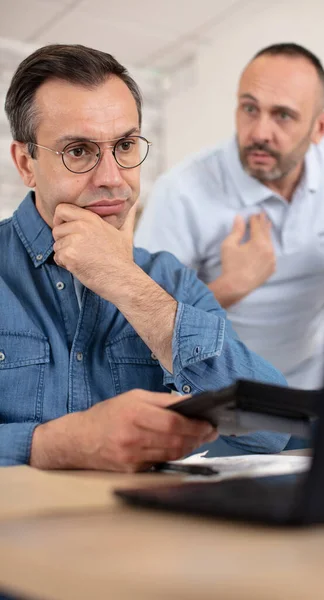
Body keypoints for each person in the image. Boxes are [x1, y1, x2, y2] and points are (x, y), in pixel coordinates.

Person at [0, 44, 293, 471]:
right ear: (26, 163)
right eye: (78, 151)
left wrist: (126, 282)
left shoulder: (169, 281)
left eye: (125, 145)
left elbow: (275, 428)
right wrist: (55, 444)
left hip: (146, 535)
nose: (111, 178)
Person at [136, 43, 324, 391]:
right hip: (221, 394)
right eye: (249, 108)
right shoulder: (181, 191)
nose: (260, 132)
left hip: (316, 387)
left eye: (283, 115)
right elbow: (139, 323)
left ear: (320, 127)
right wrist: (229, 286)